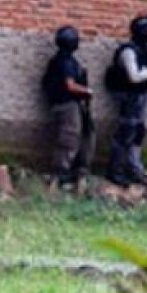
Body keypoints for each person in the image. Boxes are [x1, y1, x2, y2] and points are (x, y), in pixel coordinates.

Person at [106, 15, 147, 186]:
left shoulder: (145, 50)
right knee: (125, 135)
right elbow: (134, 77)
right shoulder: (128, 51)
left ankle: (134, 170)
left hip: (140, 97)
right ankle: (115, 171)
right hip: (130, 98)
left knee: (137, 135)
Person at [43, 25, 95, 187]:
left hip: (64, 104)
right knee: (69, 138)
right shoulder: (65, 62)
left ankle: (70, 172)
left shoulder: (59, 60)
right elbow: (70, 85)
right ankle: (61, 174)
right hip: (68, 104)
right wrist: (87, 91)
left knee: (77, 137)